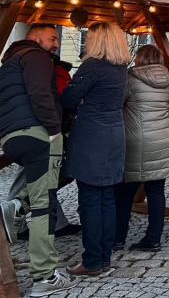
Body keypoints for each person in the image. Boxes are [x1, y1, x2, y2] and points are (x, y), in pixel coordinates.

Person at [0, 24, 79, 296]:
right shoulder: (36, 57)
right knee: (44, 205)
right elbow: (40, 94)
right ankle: (44, 276)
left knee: (43, 185)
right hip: (38, 133)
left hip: (11, 137)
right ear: (35, 37)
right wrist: (54, 130)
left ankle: (16, 205)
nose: (56, 43)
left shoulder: (9, 62)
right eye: (53, 37)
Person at [62, 22, 130, 277]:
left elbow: (68, 99)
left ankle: (91, 262)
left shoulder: (92, 67)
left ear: (97, 41)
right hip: (114, 134)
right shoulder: (120, 68)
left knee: (90, 200)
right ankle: (104, 258)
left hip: (93, 137)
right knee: (107, 200)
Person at [4, 58, 82, 245]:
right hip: (46, 132)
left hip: (23, 131)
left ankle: (55, 222)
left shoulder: (20, 72)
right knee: (45, 177)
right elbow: (63, 100)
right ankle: (14, 216)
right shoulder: (55, 73)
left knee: (42, 177)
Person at [114, 45, 169, 252]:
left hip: (137, 139)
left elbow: (118, 104)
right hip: (164, 138)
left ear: (139, 59)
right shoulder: (166, 81)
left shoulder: (130, 79)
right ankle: (153, 238)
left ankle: (117, 238)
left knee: (124, 192)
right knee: (156, 192)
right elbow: (168, 104)